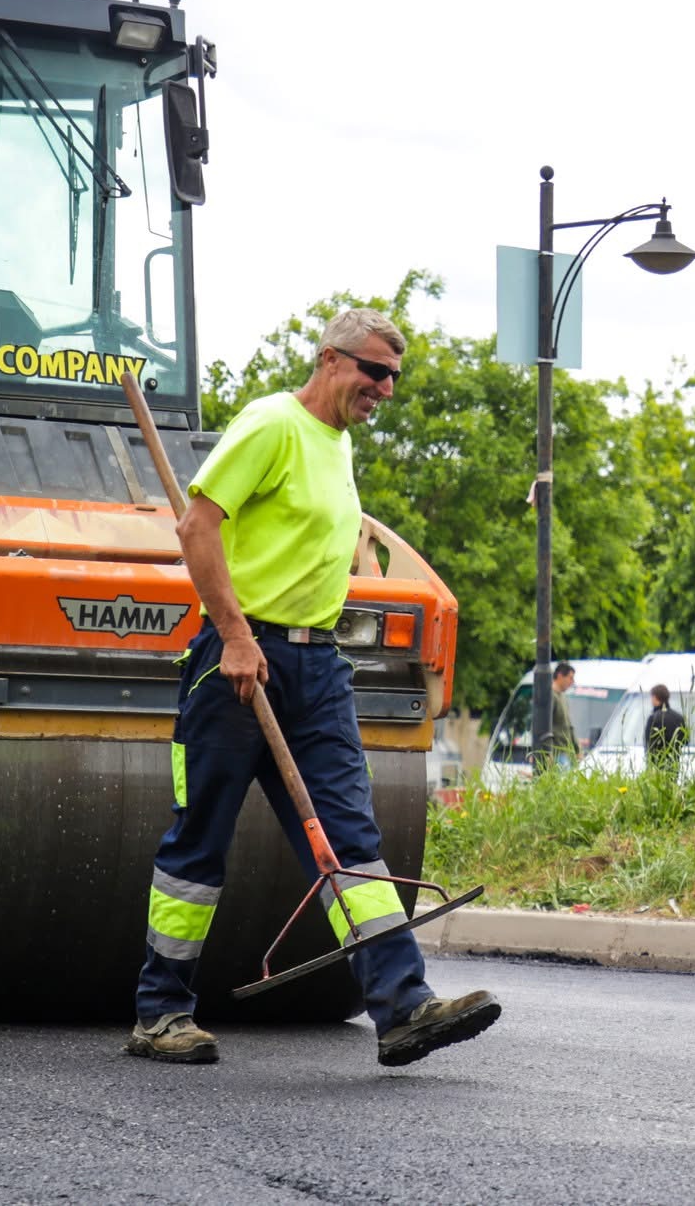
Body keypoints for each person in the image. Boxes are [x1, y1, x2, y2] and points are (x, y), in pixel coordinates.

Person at [127, 308, 502, 1066]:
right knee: (200, 842)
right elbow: (198, 527)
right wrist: (234, 636)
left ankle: (402, 1006)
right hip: (238, 660)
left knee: (350, 842)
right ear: (330, 360)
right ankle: (161, 1013)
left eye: (394, 376)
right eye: (373, 371)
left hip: (316, 667)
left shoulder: (338, 444)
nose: (386, 389)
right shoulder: (272, 424)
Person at [644, 683, 688, 776]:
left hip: (657, 768)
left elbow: (649, 745)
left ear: (655, 698)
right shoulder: (679, 717)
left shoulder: (654, 718)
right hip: (674, 766)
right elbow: (686, 740)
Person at [550, 661, 582, 761]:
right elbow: (543, 726)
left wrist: (577, 750)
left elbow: (569, 725)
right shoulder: (550, 696)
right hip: (555, 752)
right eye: (570, 678)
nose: (572, 682)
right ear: (560, 676)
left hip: (565, 751)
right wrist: (547, 752)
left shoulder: (563, 697)